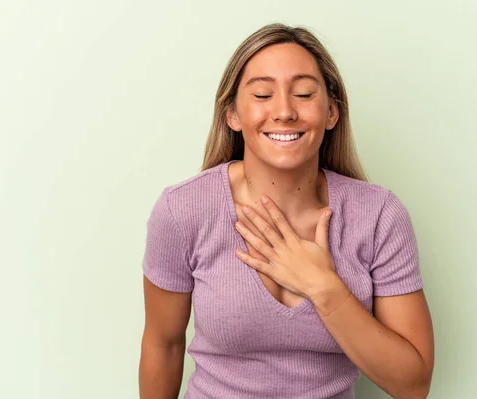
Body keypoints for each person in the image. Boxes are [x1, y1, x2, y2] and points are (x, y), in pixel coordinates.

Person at [139, 23, 434, 399]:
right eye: (262, 94)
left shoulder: (380, 216)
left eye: (304, 93)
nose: (283, 111)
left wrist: (324, 287)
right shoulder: (182, 211)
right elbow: (163, 345)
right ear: (233, 114)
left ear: (331, 113)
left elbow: (413, 384)